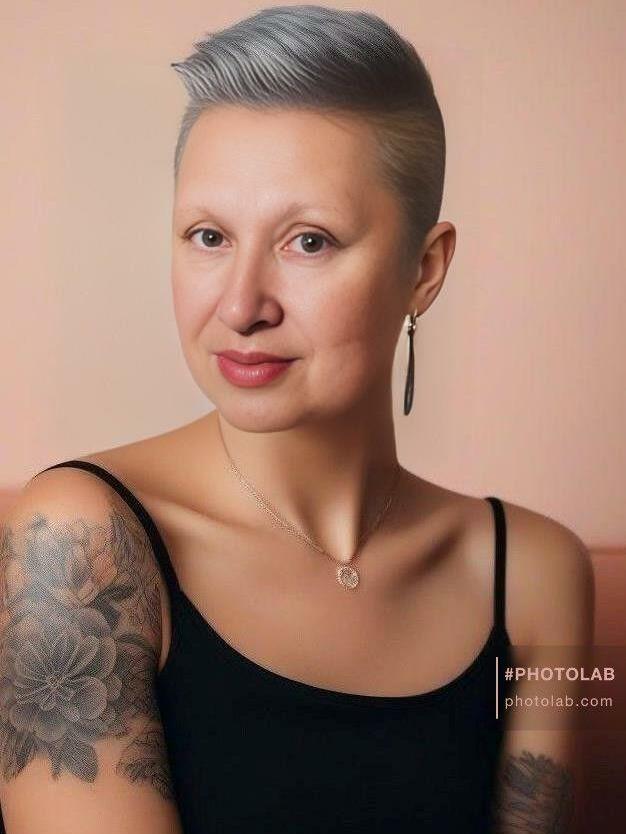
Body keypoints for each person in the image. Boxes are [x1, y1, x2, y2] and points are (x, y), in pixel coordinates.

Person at [0, 5, 594, 833]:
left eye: (308, 241)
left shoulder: (541, 575)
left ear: (424, 269)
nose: (241, 305)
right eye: (209, 236)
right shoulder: (77, 544)